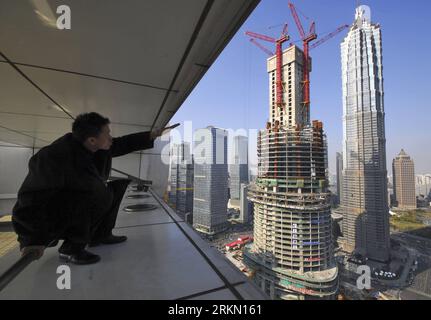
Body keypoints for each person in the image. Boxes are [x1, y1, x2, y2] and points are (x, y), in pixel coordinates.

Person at [12, 112, 166, 265]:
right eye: (108, 134)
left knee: (117, 187)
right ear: (92, 140)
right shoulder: (53, 157)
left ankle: (101, 235)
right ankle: (71, 248)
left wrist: (151, 135)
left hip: (81, 201)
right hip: (57, 215)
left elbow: (120, 144)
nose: (111, 138)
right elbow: (29, 198)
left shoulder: (94, 145)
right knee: (96, 193)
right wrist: (31, 240)